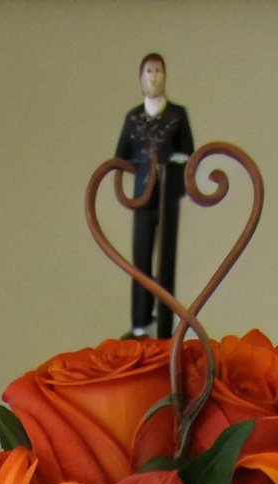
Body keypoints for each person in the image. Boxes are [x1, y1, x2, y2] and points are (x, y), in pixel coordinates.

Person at [115, 54, 194, 339]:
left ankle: (164, 327)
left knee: (166, 258)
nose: (153, 77)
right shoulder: (133, 118)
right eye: (148, 71)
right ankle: (139, 323)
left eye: (158, 71)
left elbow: (189, 155)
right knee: (140, 258)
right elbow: (120, 157)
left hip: (168, 194)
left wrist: (174, 165)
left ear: (165, 75)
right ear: (140, 76)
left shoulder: (177, 115)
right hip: (141, 196)